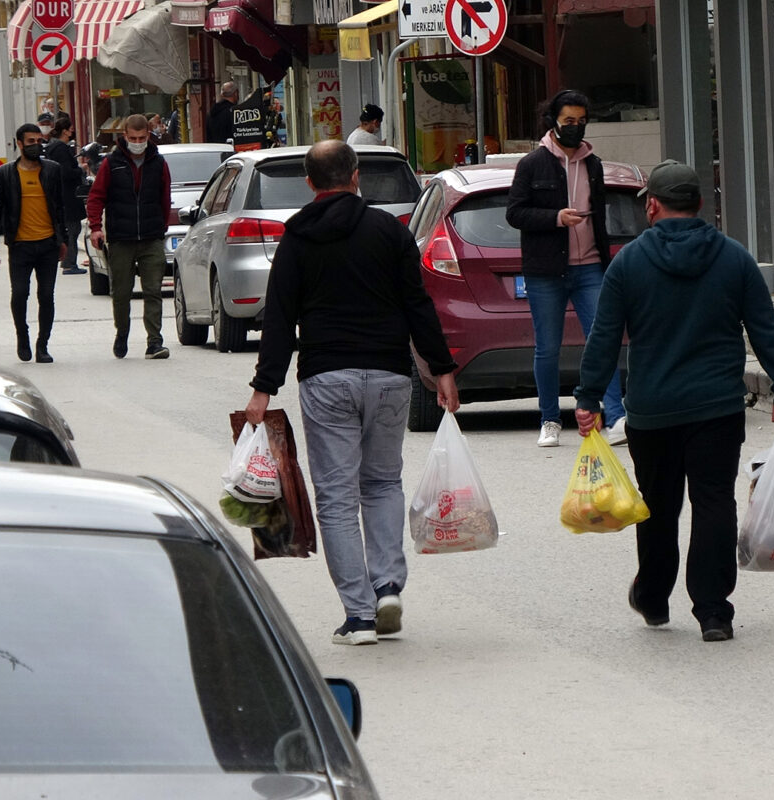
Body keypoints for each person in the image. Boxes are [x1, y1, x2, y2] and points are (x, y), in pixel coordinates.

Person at [572, 159, 774, 643]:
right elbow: (765, 328)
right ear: (700, 205)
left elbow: (605, 336)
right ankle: (714, 611)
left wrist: (589, 397)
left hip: (652, 412)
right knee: (714, 503)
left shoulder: (628, 263)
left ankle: (653, 597)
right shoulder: (734, 258)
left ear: (651, 205)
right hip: (717, 409)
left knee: (656, 505)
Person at [243, 140, 459, 646]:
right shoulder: (389, 231)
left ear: (310, 183)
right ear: (356, 176)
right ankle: (386, 586)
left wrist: (263, 387)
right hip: (388, 376)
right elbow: (416, 304)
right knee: (383, 482)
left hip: (326, 379)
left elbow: (280, 318)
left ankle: (359, 617)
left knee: (337, 497)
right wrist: (442, 368)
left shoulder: (296, 236)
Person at [505, 89, 626, 448]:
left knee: (602, 340)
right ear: (552, 122)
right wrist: (555, 218)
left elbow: (601, 215)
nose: (575, 127)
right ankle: (549, 419)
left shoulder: (594, 164)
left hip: (590, 266)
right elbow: (514, 213)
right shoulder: (532, 164)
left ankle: (616, 416)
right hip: (546, 270)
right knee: (547, 347)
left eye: (581, 121)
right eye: (568, 121)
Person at [85, 114, 172, 360]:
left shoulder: (158, 162)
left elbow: (164, 196)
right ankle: (122, 333)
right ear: (124, 136)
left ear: (148, 136)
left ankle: (155, 342)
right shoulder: (111, 163)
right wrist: (95, 227)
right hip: (121, 239)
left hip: (151, 237)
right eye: (132, 138)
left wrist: (161, 226)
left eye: (142, 138)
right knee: (121, 292)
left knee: (153, 290)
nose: (137, 142)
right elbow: (96, 197)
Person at [0, 123, 68, 363]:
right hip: (20, 245)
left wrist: (62, 240)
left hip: (47, 245)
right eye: (30, 142)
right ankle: (22, 336)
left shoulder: (52, 170)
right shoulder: (6, 173)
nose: (36, 146)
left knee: (46, 295)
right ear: (19, 144)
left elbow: (59, 208)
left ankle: (43, 345)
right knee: (20, 293)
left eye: (39, 141)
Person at [44, 114, 87, 276]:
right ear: (65, 131)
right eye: (71, 130)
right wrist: (80, 169)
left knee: (69, 228)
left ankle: (67, 261)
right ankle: (69, 263)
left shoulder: (52, 147)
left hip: (61, 194)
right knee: (73, 229)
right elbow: (66, 172)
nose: (72, 132)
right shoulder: (61, 149)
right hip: (68, 195)